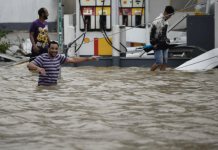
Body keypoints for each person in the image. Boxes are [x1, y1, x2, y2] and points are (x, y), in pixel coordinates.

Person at [27, 41, 98, 86]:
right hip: (43, 89)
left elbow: (73, 59)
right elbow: (29, 65)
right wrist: (38, 68)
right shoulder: (42, 57)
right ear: (48, 49)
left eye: (56, 49)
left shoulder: (59, 57)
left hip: (54, 87)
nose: (54, 50)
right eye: (52, 48)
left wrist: (88, 58)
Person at [150, 6, 174, 71]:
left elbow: (165, 34)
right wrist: (153, 43)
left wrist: (167, 40)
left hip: (164, 43)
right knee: (159, 62)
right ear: (166, 13)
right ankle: (149, 74)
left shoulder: (166, 22)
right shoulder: (157, 21)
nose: (170, 17)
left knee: (165, 62)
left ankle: (162, 78)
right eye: (170, 15)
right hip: (157, 43)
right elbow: (152, 34)